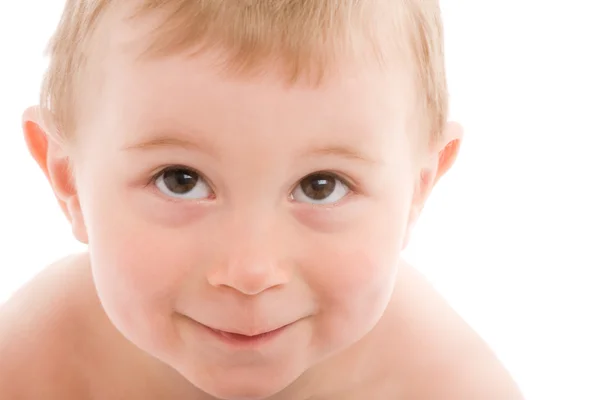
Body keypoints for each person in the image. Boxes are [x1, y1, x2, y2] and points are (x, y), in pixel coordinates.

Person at [0, 1, 524, 398]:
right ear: (67, 177)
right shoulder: (30, 363)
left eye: (321, 185)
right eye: (179, 179)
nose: (249, 271)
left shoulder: (441, 382)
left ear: (418, 189)